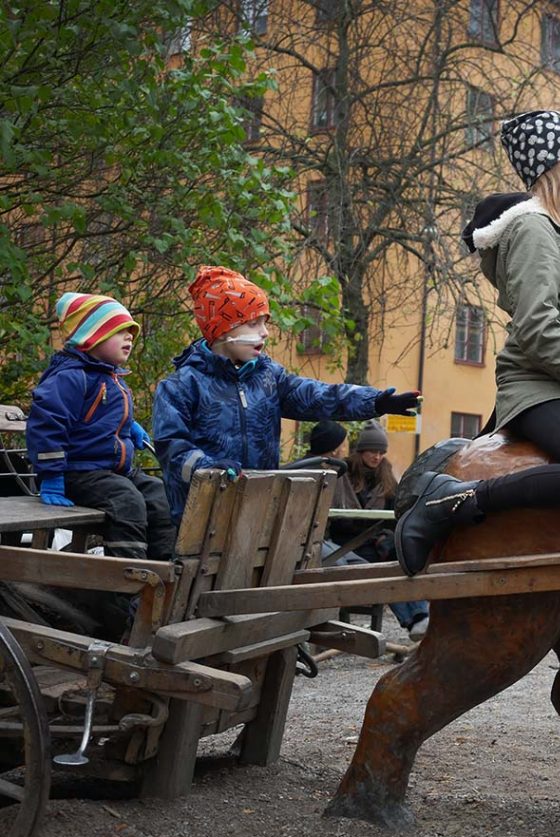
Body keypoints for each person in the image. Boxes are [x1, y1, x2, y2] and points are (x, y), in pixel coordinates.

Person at [395, 109, 560, 575]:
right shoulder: (534, 230)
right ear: (548, 168)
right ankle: (450, 502)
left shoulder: (556, 230)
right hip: (541, 388)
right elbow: (536, 329)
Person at [151, 265, 420, 526]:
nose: (264, 332)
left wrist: (375, 401)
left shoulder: (269, 378)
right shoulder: (181, 386)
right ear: (222, 329)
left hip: (258, 513)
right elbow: (172, 448)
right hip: (202, 519)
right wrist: (210, 469)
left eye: (264, 322)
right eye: (253, 323)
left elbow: (320, 396)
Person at [26, 293, 177, 636]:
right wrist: (52, 476)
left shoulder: (110, 377)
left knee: (160, 495)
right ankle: (127, 592)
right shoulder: (69, 377)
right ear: (91, 336)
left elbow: (101, 419)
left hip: (111, 470)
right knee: (128, 501)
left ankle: (165, 579)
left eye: (131, 332)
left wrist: (130, 428)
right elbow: (46, 426)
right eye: (119, 331)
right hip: (77, 471)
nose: (129, 338)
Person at [308, 419, 430, 641]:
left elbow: (397, 512)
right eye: (373, 451)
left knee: (403, 556)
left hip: (377, 543)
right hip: (348, 545)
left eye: (381, 452)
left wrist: (388, 535)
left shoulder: (386, 475)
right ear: (361, 451)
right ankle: (414, 619)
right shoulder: (343, 473)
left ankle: (420, 616)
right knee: (384, 570)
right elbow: (336, 518)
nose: (377, 456)